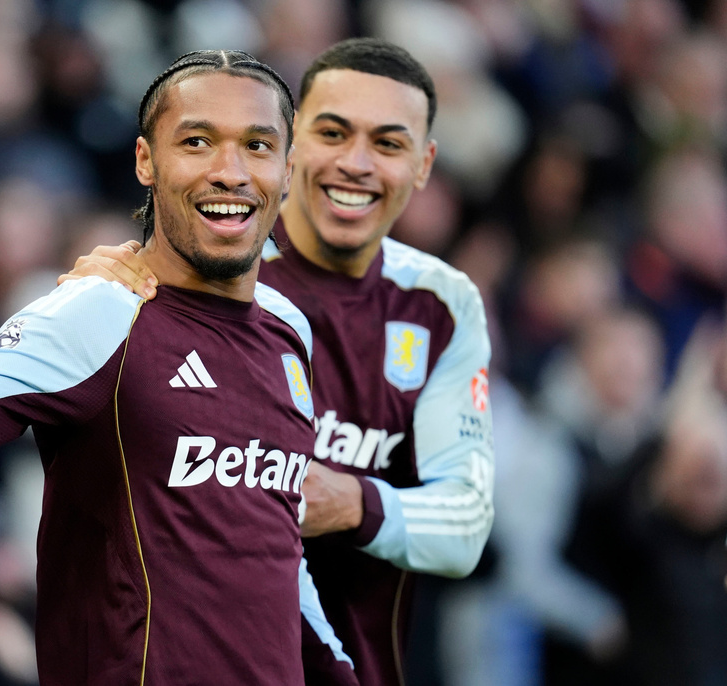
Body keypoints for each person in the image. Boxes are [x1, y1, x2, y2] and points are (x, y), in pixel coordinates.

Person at [0, 49, 356, 685]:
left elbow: (276, 545)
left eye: (257, 146)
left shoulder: (291, 331)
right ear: (147, 160)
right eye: (197, 141)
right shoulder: (97, 311)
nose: (230, 171)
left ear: (288, 170)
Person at [61, 38, 495, 686]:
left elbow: (465, 527)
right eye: (333, 132)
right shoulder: (190, 273)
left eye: (389, 143)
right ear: (290, 148)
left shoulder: (444, 304)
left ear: (424, 164)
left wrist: (348, 500)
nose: (356, 163)